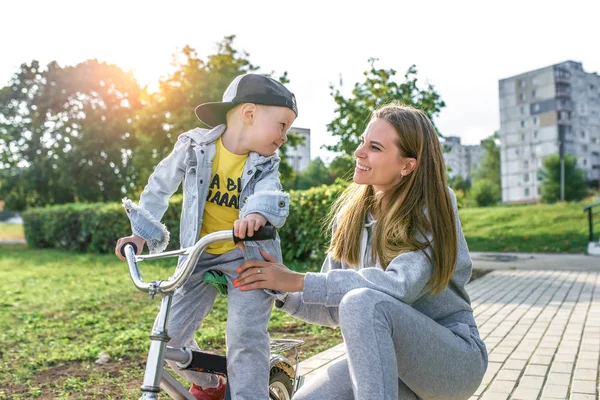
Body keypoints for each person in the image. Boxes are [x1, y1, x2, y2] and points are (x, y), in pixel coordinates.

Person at [235, 104, 488, 399]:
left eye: (375, 147)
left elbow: (399, 286)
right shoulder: (352, 216)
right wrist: (275, 287)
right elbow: (332, 307)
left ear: (407, 165)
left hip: (450, 363)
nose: (359, 152)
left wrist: (298, 279)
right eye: (362, 141)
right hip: (387, 365)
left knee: (362, 302)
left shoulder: (435, 203)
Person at [114, 73, 297, 400]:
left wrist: (255, 215)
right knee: (167, 338)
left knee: (245, 338)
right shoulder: (194, 147)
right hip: (198, 255)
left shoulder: (265, 162)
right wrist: (139, 236)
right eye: (282, 125)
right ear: (250, 114)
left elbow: (269, 191)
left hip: (247, 257)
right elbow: (159, 187)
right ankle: (213, 385)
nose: (285, 136)